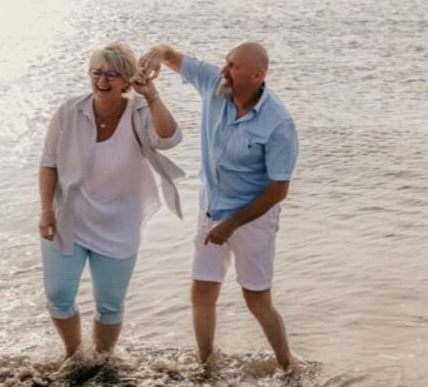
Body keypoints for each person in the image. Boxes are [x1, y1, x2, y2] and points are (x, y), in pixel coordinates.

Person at [139, 41, 298, 369]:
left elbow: (278, 190)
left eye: (233, 67)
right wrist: (157, 55)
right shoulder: (215, 84)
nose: (224, 70)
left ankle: (287, 366)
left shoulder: (279, 124)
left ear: (257, 75)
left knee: (257, 301)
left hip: (254, 219)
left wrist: (232, 224)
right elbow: (172, 55)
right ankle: (207, 363)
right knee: (202, 292)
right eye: (226, 62)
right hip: (210, 210)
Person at [39, 41, 183, 358]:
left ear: (128, 79)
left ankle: (101, 364)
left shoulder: (139, 112)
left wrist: (152, 96)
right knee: (59, 295)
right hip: (70, 217)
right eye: (97, 72)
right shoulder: (68, 112)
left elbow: (170, 138)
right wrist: (46, 211)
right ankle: (75, 355)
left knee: (109, 305)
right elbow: (49, 163)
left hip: (119, 223)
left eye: (112, 74)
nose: (102, 80)